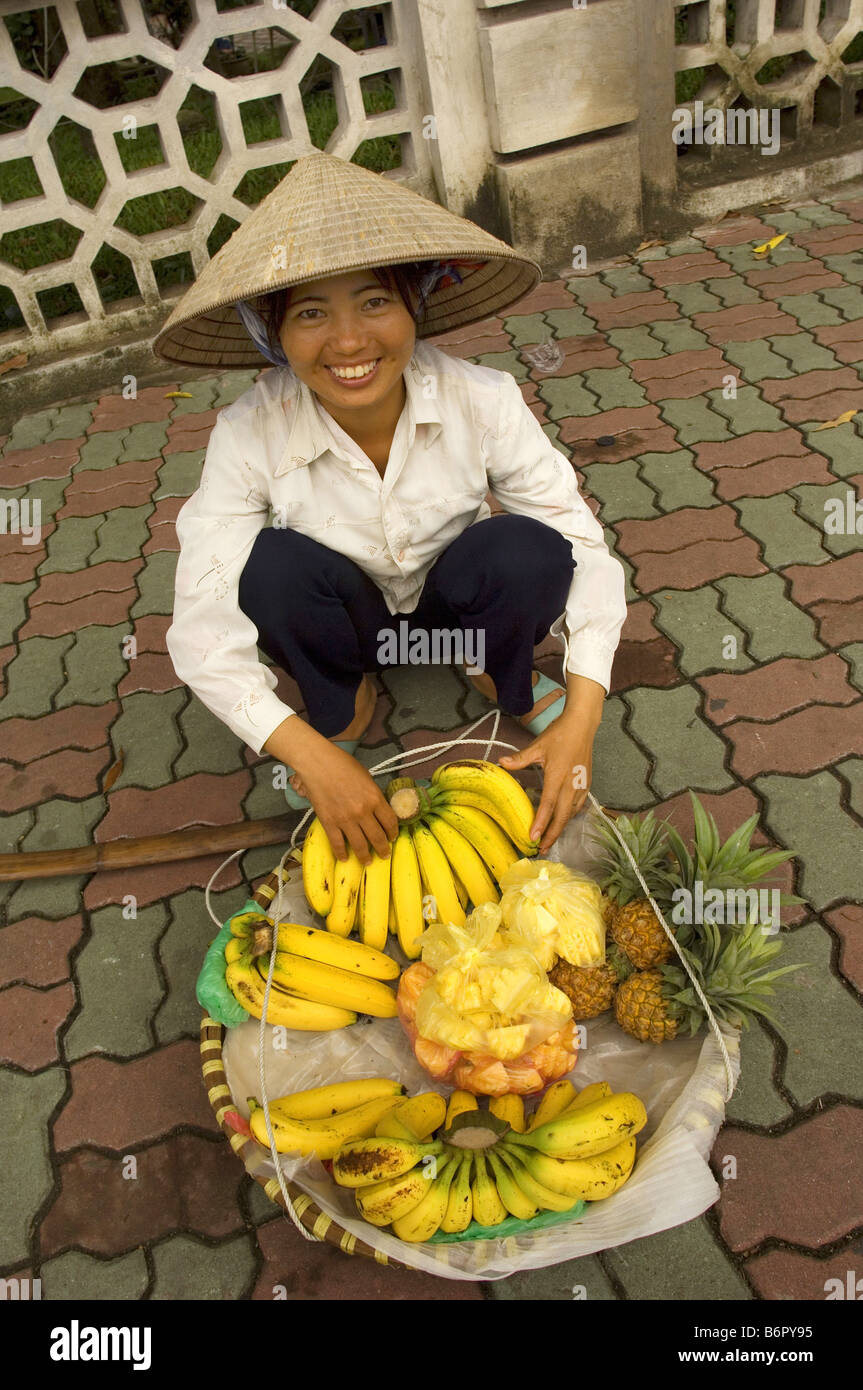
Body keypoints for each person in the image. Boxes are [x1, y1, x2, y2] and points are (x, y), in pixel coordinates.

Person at [154, 153, 627, 870]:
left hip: (450, 607)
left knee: (528, 549)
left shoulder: (483, 398)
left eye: (374, 302)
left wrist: (586, 712)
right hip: (347, 620)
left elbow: (581, 546)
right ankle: (342, 704)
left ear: (415, 306)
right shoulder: (247, 432)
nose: (348, 341)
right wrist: (301, 749)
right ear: (271, 335)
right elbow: (201, 620)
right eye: (311, 313)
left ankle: (496, 672)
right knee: (269, 568)